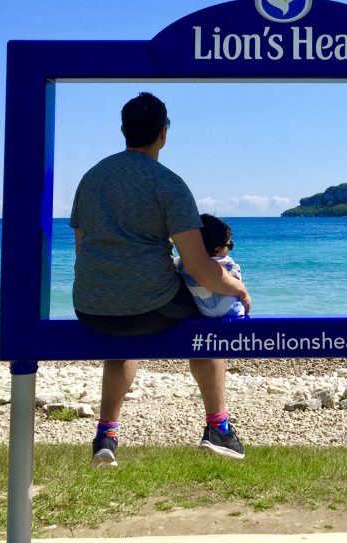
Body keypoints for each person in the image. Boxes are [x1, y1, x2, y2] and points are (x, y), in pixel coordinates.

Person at [69, 92, 251, 467]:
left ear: (123, 130)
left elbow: (82, 248)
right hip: (152, 305)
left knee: (122, 333)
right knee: (210, 319)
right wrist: (238, 289)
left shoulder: (92, 179)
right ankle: (218, 427)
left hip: (92, 306)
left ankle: (107, 434)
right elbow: (201, 268)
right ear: (163, 134)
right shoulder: (168, 184)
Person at [177, 214, 247, 319]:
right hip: (232, 311)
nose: (229, 249)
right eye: (229, 245)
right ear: (217, 249)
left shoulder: (183, 264)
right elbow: (237, 282)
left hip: (205, 312)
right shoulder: (226, 263)